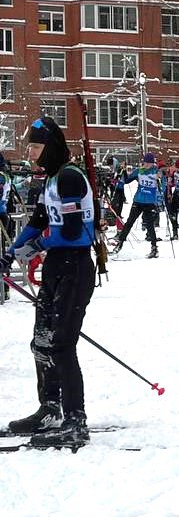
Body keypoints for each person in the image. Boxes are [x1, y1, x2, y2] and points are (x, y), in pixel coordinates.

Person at [0, 117, 97, 448]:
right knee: (41, 342)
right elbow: (39, 220)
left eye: (36, 146)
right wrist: (11, 253)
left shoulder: (70, 177)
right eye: (30, 145)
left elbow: (71, 230)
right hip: (56, 266)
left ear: (51, 147)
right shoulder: (51, 179)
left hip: (75, 267)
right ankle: (50, 409)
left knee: (61, 344)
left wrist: (36, 245)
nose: (31, 152)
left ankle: (75, 420)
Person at [114, 153, 164, 258]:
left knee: (150, 225)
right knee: (129, 222)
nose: (147, 165)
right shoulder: (139, 171)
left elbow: (162, 186)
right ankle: (120, 243)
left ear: (152, 163)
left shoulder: (156, 171)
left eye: (149, 163)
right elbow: (127, 180)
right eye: (145, 163)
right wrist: (124, 172)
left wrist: (160, 180)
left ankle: (154, 248)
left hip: (149, 203)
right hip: (138, 201)